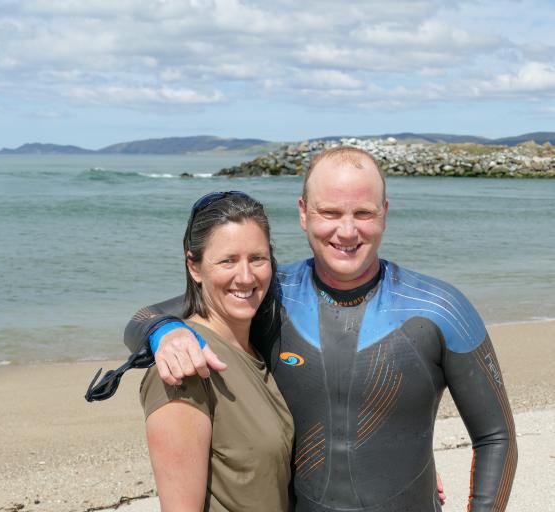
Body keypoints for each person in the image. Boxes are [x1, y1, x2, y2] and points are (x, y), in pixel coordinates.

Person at [124, 147, 516, 511]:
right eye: (329, 213)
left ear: (384, 212)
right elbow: (146, 317)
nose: (346, 232)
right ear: (303, 213)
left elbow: (496, 438)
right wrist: (166, 333)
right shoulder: (267, 294)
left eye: (363, 213)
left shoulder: (440, 308)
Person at [139, 191, 294, 511]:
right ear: (194, 267)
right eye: (227, 260)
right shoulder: (183, 366)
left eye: (257, 258)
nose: (246, 277)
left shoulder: (258, 349)